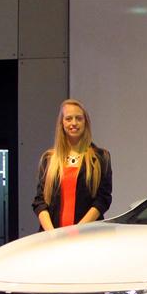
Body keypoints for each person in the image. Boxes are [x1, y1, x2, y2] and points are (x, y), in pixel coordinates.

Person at [32, 99, 112, 230]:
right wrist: (52, 234)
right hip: (51, 237)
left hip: (87, 235)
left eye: (78, 118)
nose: (74, 123)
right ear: (61, 123)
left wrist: (76, 231)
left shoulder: (101, 158)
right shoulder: (49, 159)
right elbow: (39, 202)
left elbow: (103, 199)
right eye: (68, 119)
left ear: (85, 122)